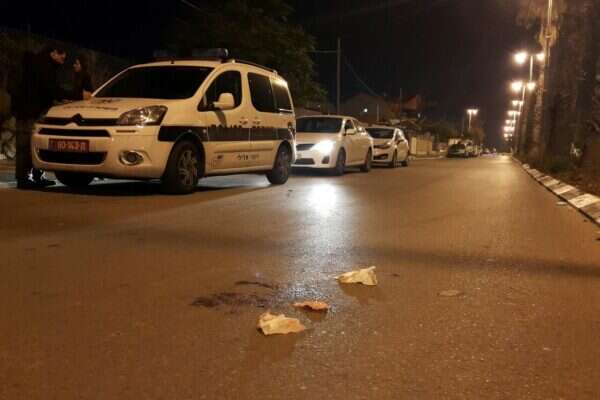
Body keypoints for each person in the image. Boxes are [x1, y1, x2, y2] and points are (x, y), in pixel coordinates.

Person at [12, 45, 67, 189]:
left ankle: (34, 176)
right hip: (30, 112)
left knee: (31, 145)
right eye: (61, 54)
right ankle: (24, 178)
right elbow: (50, 89)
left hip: (26, 110)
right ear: (53, 53)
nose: (64, 57)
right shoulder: (44, 66)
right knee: (26, 145)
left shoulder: (38, 64)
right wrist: (73, 95)